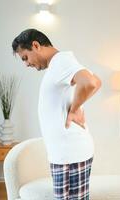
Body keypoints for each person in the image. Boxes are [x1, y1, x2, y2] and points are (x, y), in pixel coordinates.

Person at [12, 29, 101, 200]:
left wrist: (74, 110)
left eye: (25, 57)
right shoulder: (59, 64)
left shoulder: (61, 62)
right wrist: (76, 106)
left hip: (70, 155)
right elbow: (96, 81)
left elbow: (92, 82)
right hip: (66, 154)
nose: (26, 64)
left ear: (35, 45)